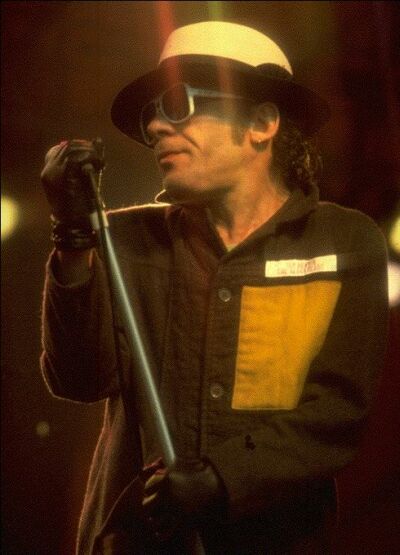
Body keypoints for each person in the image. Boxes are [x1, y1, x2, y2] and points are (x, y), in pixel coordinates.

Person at [40, 21, 389, 555]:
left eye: (178, 104)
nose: (155, 126)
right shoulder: (122, 241)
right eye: (151, 113)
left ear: (262, 122)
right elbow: (80, 380)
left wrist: (222, 479)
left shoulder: (344, 242)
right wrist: (72, 236)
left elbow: (336, 413)